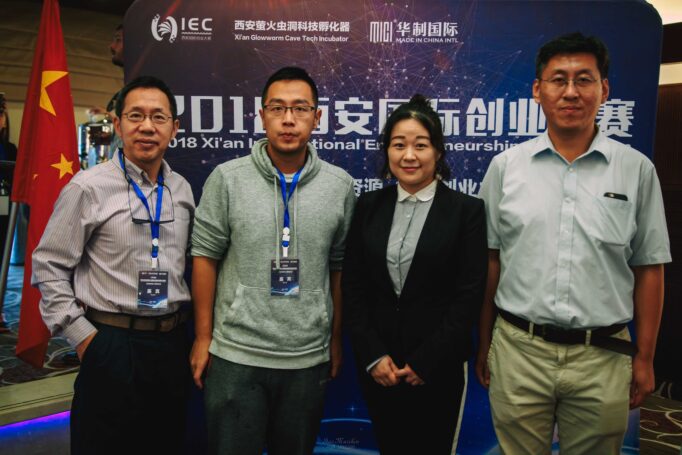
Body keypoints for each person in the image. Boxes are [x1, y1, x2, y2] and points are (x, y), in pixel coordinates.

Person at [477, 32, 671, 454]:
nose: (570, 92)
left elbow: (649, 268)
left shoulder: (636, 170)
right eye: (558, 79)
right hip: (518, 351)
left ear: (604, 89)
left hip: (603, 357)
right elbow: (491, 261)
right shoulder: (506, 168)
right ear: (537, 90)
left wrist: (645, 357)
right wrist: (484, 343)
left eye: (584, 79)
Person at [190, 66, 356, 455]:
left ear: (317, 117)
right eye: (277, 108)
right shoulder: (227, 178)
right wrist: (203, 337)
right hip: (235, 354)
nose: (288, 119)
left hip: (306, 357)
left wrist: (333, 339)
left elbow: (339, 268)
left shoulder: (340, 186)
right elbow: (204, 257)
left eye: (300, 108)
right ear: (262, 115)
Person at [33, 76, 194, 455]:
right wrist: (84, 338)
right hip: (111, 342)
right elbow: (48, 265)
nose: (147, 126)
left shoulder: (182, 189)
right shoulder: (87, 187)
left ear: (174, 128)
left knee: (165, 443)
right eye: (136, 115)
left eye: (158, 117)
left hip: (171, 344)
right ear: (118, 124)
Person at [343, 95, 487, 454]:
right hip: (381, 369)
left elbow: (469, 295)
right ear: (387, 151)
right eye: (398, 145)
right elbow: (354, 287)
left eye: (420, 145)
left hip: (438, 368)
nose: (409, 155)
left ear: (438, 151)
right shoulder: (368, 207)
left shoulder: (466, 211)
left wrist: (427, 361)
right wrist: (373, 355)